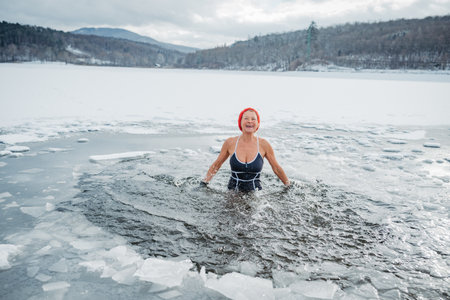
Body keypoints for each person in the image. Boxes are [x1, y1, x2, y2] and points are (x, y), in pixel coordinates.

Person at [202, 107, 290, 192]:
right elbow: (216, 165)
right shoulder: (230, 143)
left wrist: (288, 185)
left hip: (256, 194)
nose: (249, 121)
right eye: (246, 118)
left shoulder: (264, 144)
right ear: (240, 122)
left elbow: (276, 168)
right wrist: (204, 183)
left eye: (253, 119)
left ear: (258, 124)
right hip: (232, 193)